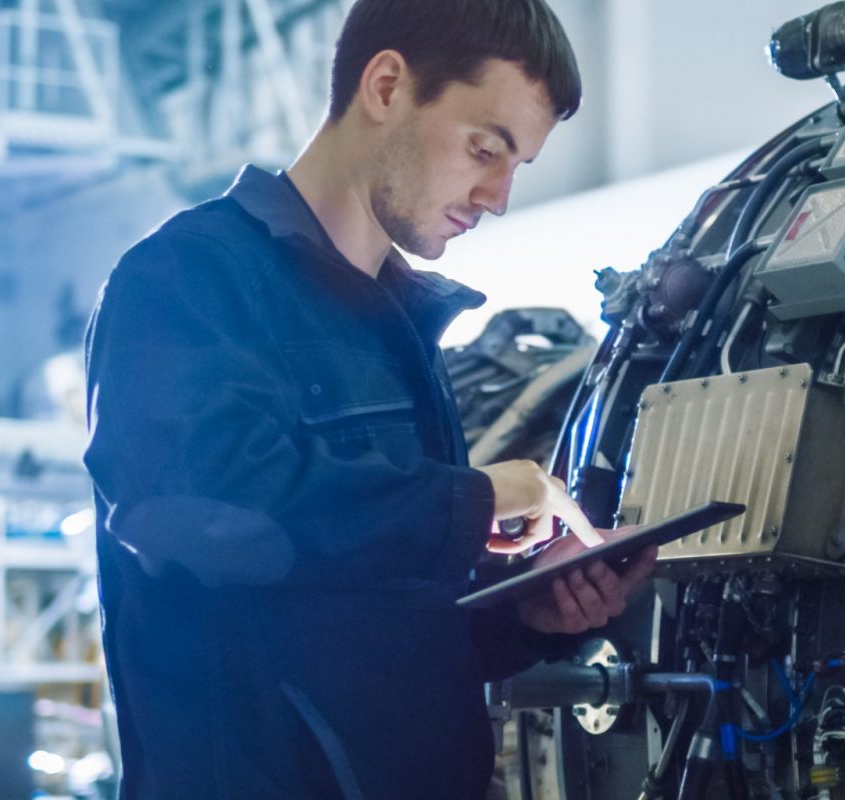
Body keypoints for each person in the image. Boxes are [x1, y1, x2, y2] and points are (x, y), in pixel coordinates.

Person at [81, 0, 654, 796]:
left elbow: (381, 618)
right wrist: (474, 502)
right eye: (485, 149)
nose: (497, 196)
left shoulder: (398, 327)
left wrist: (526, 617)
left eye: (516, 166)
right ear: (386, 85)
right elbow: (196, 509)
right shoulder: (188, 277)